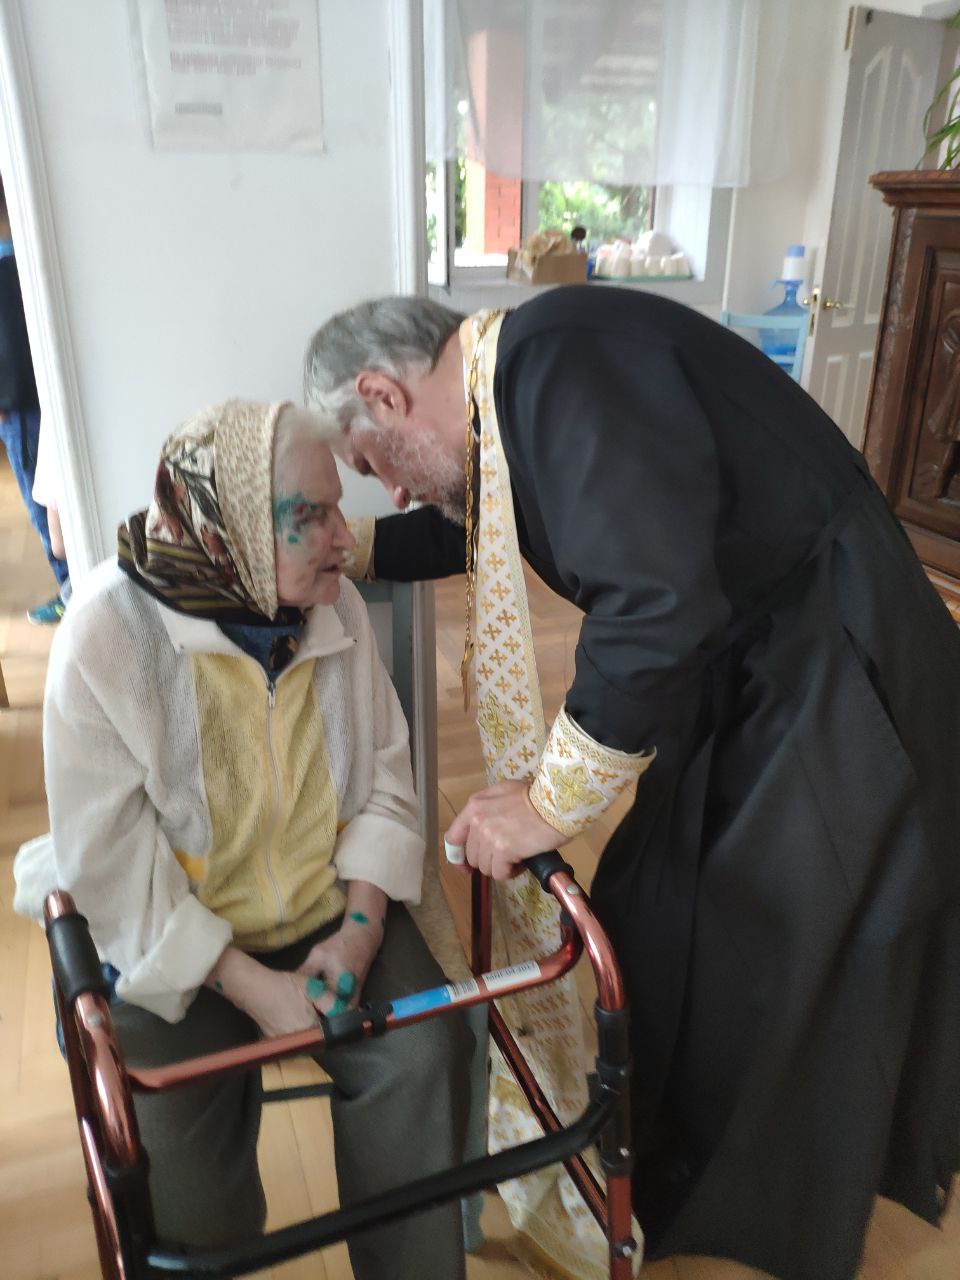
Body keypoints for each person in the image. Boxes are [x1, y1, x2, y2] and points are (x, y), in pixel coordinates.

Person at [303, 288, 960, 1280]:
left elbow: (653, 605)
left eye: (370, 465)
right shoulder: (519, 381)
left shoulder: (559, 365)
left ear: (384, 395)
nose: (389, 491)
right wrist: (346, 551)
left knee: (775, 932)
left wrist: (547, 803)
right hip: (757, 659)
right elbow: (486, 519)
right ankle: (661, 1164)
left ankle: (762, 1197)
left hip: (837, 660)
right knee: (653, 902)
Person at [14, 399, 470, 1280]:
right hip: (169, 939)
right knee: (183, 1178)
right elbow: (112, 868)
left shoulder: (332, 610)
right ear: (231, 533)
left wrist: (361, 929)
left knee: (422, 1055)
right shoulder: (107, 636)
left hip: (324, 911)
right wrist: (254, 988)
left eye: (338, 509)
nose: (345, 537)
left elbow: (386, 778)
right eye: (315, 516)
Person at [0, 176, 69, 622]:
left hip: (21, 408)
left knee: (40, 500)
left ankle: (70, 589)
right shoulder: (28, 255)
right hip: (35, 399)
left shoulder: (7, 268)